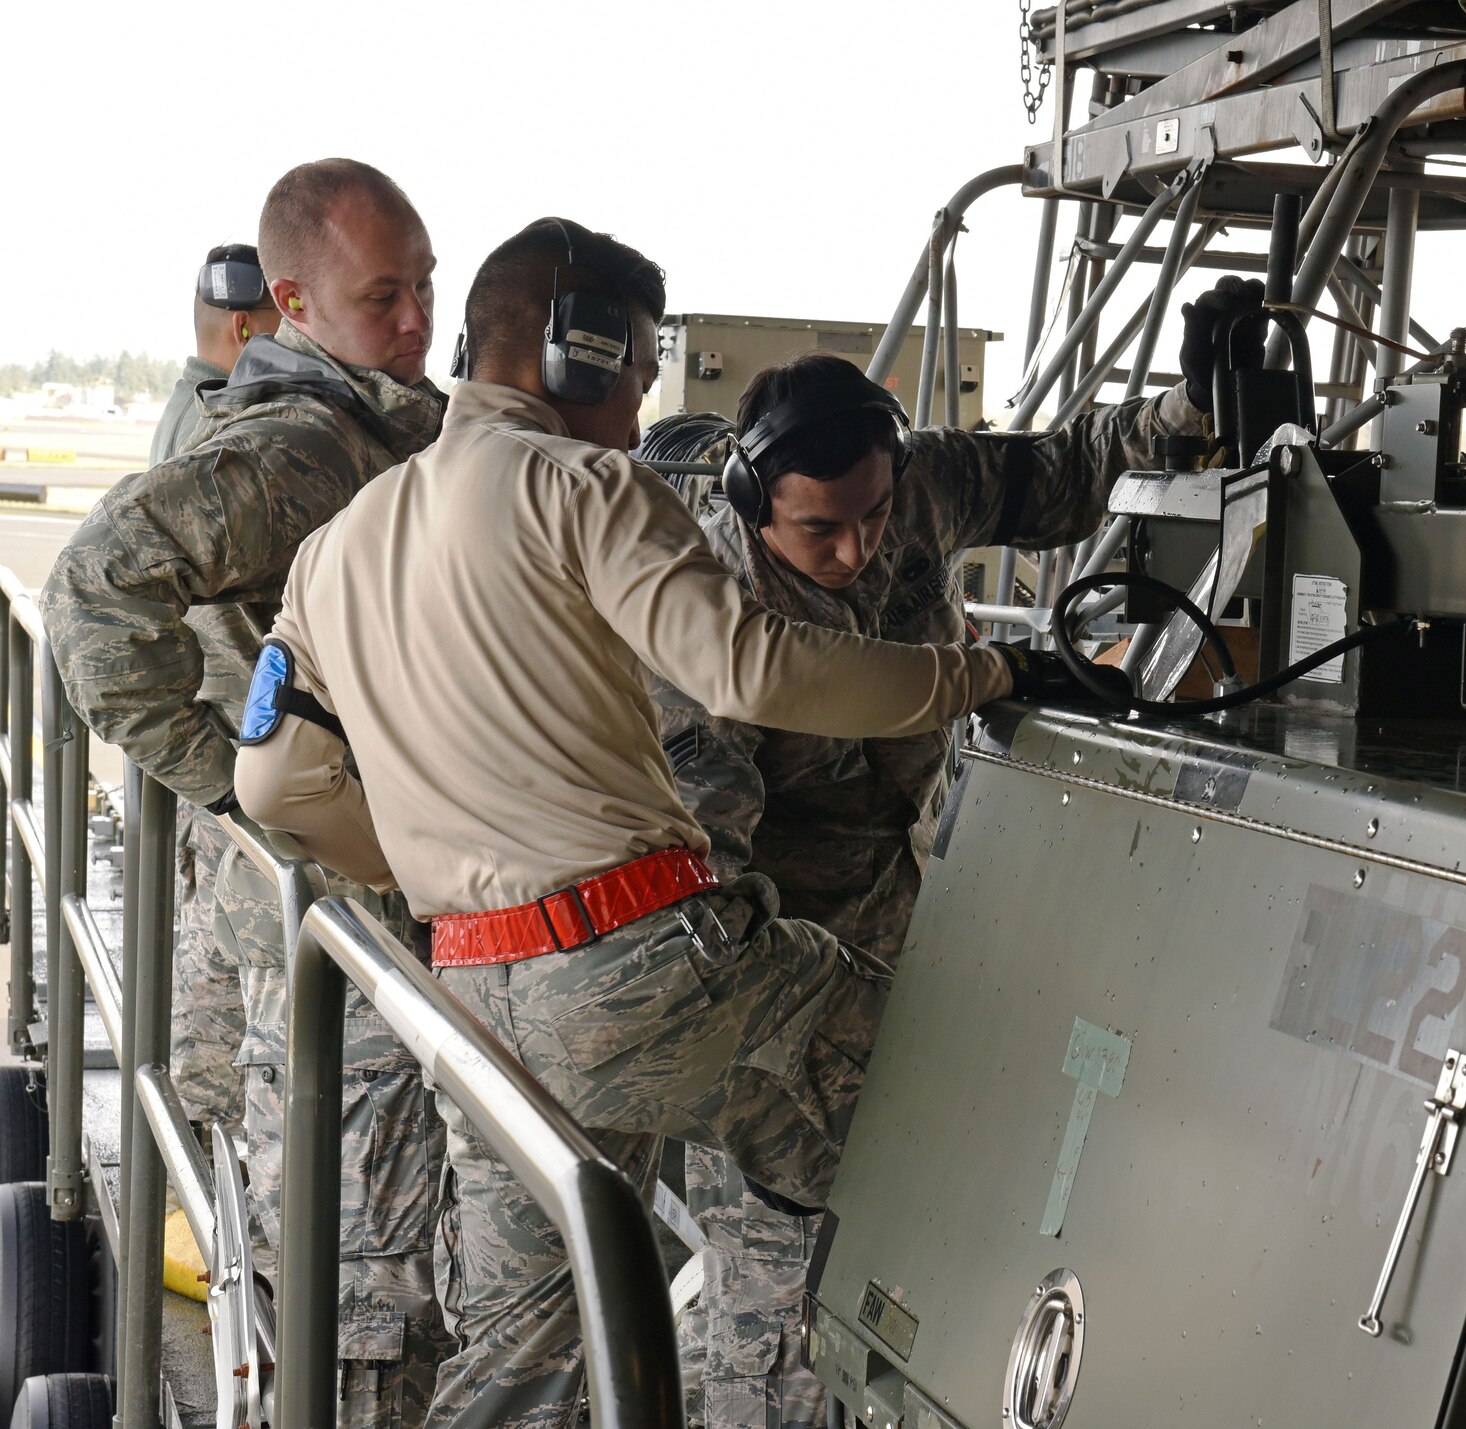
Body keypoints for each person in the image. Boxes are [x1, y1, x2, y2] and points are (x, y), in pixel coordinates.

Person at [232, 215, 1107, 1429]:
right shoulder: (587, 485)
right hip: (647, 964)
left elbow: (276, 785)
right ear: (573, 351)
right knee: (960, 1109)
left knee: (522, 1361)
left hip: (478, 991)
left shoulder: (337, 548)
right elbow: (750, 666)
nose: (642, 412)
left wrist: (450, 871)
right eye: (636, 371)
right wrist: (980, 678)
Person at [655, 277, 1261, 1429]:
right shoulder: (708, 618)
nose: (856, 547)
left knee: (902, 1267)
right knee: (778, 1297)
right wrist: (792, 1063)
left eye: (872, 516)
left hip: (905, 926)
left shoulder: (910, 483)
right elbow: (710, 887)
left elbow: (1062, 476)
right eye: (818, 530)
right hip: (777, 972)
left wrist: (1185, 402)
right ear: (752, 503)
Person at [41, 157, 450, 1429]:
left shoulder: (360, 424)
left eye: (426, 287)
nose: (415, 321)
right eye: (384, 296)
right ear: (295, 299)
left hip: (279, 905)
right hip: (325, 906)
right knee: (358, 1295)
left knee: (266, 1232)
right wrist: (228, 782)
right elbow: (89, 595)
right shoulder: (304, 448)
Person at [144, 243, 283, 1138]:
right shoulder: (223, 431)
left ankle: (208, 1161)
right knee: (236, 976)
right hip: (234, 736)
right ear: (244, 326)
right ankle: (226, 1173)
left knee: (211, 952)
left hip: (218, 738)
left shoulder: (185, 412)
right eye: (283, 328)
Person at [150, 243, 283, 465]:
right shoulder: (218, 423)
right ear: (244, 329)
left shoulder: (187, 404)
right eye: (284, 328)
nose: (289, 343)